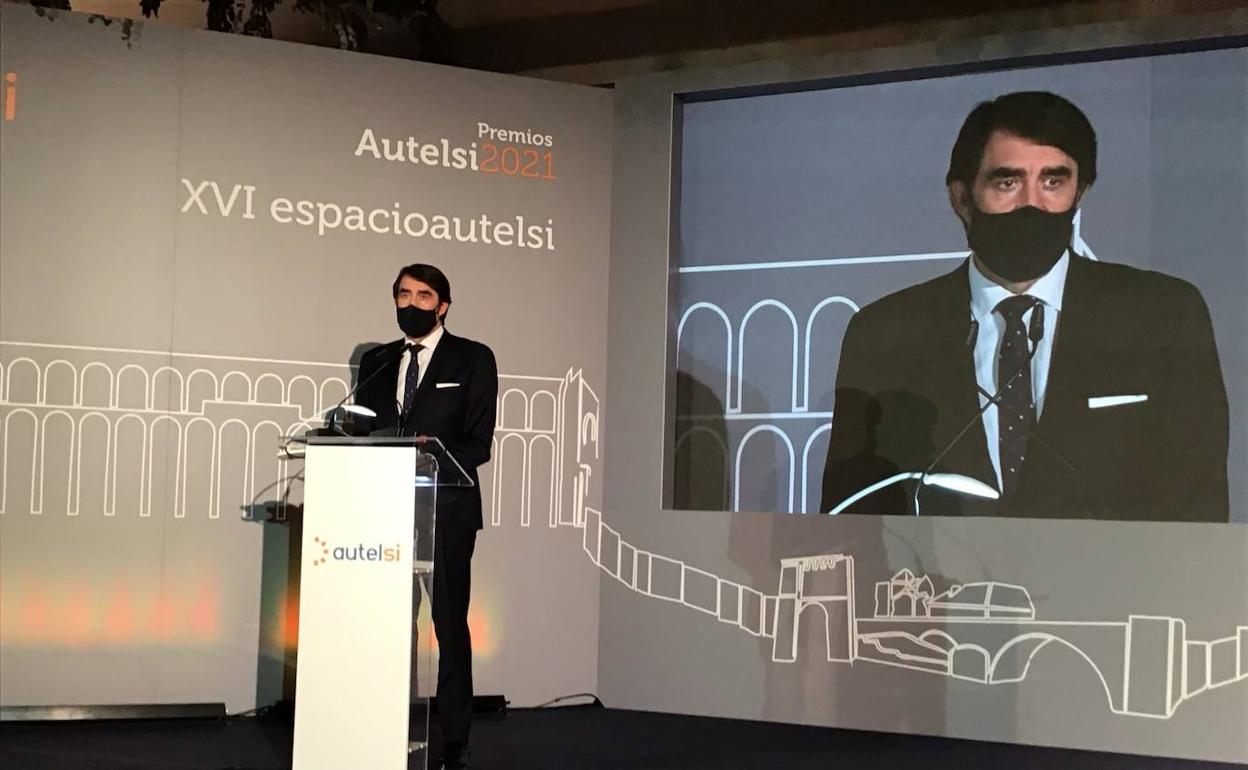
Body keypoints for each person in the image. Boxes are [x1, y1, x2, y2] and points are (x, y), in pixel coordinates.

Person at [820, 91, 1229, 521]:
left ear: (1080, 193)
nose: (1031, 204)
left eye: (1053, 182)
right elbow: (850, 519)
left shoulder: (1164, 316)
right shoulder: (884, 333)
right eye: (1007, 183)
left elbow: (1199, 509)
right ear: (962, 198)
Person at [354, 263, 498, 769]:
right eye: (403, 294)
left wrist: (429, 453)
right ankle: (380, 723)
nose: (411, 304)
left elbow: (478, 443)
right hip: (384, 509)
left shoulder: (473, 358)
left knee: (449, 626)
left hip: (447, 511)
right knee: (387, 624)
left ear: (443, 306)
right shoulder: (376, 361)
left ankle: (453, 741)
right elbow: (362, 432)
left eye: (423, 296)